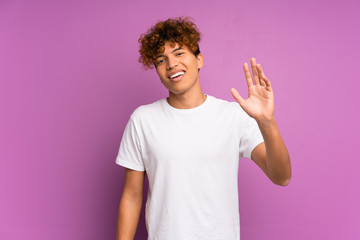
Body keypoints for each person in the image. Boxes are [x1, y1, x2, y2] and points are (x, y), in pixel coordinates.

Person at [115, 17, 291, 240]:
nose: (171, 64)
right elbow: (131, 196)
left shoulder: (233, 116)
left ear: (199, 60)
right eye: (161, 60)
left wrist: (268, 122)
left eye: (179, 53)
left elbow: (281, 176)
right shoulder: (142, 120)